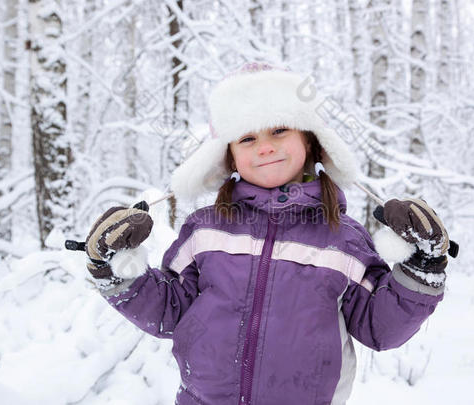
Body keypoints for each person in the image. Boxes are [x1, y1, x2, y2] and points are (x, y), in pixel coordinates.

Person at [84, 63, 450, 405]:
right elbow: (170, 309)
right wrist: (115, 268)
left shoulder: (343, 240)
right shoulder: (205, 230)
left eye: (278, 129)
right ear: (229, 155)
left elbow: (378, 326)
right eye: (246, 138)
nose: (265, 147)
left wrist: (422, 266)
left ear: (310, 141)